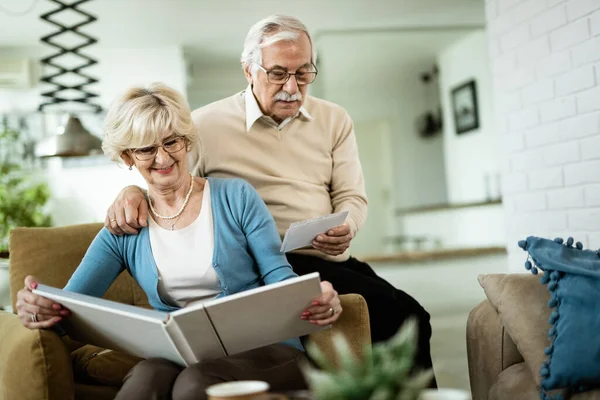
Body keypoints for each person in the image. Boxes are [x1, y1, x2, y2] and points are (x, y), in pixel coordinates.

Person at [105, 15, 436, 385]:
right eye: (278, 74)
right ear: (249, 70)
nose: (292, 87)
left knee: (413, 318)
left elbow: (351, 196)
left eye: (303, 73)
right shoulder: (204, 126)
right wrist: (131, 190)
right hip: (259, 264)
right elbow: (172, 181)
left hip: (328, 258)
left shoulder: (335, 120)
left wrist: (348, 226)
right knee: (397, 316)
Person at [15, 83, 342, 400]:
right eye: (146, 149)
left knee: (196, 382)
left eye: (171, 142)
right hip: (183, 357)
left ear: (186, 141)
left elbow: (278, 276)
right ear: (128, 157)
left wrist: (316, 296)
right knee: (147, 378)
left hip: (267, 350)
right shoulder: (124, 228)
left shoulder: (236, 197)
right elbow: (71, 306)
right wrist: (36, 309)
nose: (162, 158)